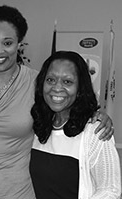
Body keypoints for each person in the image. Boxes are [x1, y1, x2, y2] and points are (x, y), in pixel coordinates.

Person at [0, 5, 114, 199]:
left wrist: (99, 116)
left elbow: (67, 105)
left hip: (18, 194)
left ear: (19, 43)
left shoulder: (37, 83)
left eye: (7, 42)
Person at [30, 51, 121, 198]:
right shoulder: (37, 125)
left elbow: (110, 190)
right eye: (50, 80)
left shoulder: (95, 131)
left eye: (67, 82)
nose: (57, 88)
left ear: (80, 89)